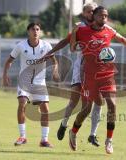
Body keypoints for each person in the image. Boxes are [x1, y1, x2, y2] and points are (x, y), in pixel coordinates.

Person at [68, 6, 126, 154]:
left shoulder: (108, 30)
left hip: (107, 75)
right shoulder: (83, 30)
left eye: (106, 16)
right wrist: (73, 32)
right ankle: (73, 131)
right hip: (89, 76)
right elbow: (72, 48)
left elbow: (121, 38)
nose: (104, 19)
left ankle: (109, 140)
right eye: (101, 16)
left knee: (112, 105)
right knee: (86, 110)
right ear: (94, 15)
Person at [42, 2, 103, 147]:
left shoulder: (103, 28)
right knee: (74, 101)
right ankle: (64, 125)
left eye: (93, 11)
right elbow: (65, 41)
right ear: (84, 13)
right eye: (88, 11)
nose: (91, 14)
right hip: (80, 69)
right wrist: (51, 52)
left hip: (96, 71)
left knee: (97, 102)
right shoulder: (80, 28)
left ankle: (92, 134)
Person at [3, 22, 59, 147]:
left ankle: (44, 140)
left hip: (40, 82)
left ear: (40, 32)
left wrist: (55, 72)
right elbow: (9, 61)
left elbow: (55, 62)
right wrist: (5, 75)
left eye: (38, 29)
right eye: (33, 29)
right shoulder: (21, 46)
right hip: (25, 81)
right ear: (28, 31)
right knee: (22, 103)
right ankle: (22, 137)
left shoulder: (46, 46)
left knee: (45, 109)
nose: (35, 32)